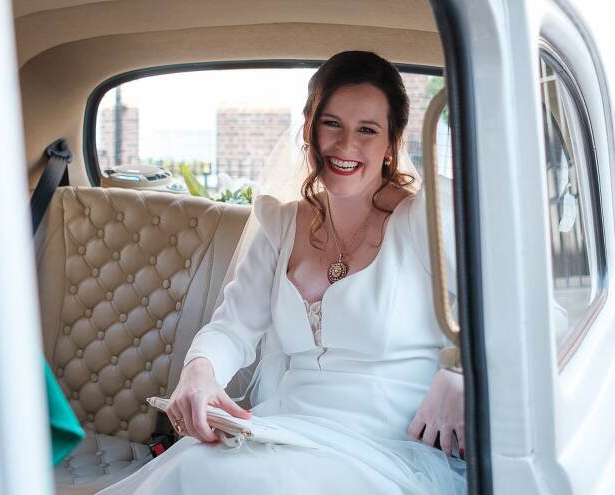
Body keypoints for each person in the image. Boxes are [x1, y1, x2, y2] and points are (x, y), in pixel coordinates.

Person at [98, 51, 466, 495]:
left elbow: (534, 316)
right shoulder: (280, 224)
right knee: (193, 469)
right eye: (332, 123)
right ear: (309, 127)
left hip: (384, 447)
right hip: (285, 428)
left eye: (367, 130)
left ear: (391, 143)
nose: (346, 145)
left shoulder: (426, 218)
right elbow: (232, 328)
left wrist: (461, 372)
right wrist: (199, 368)